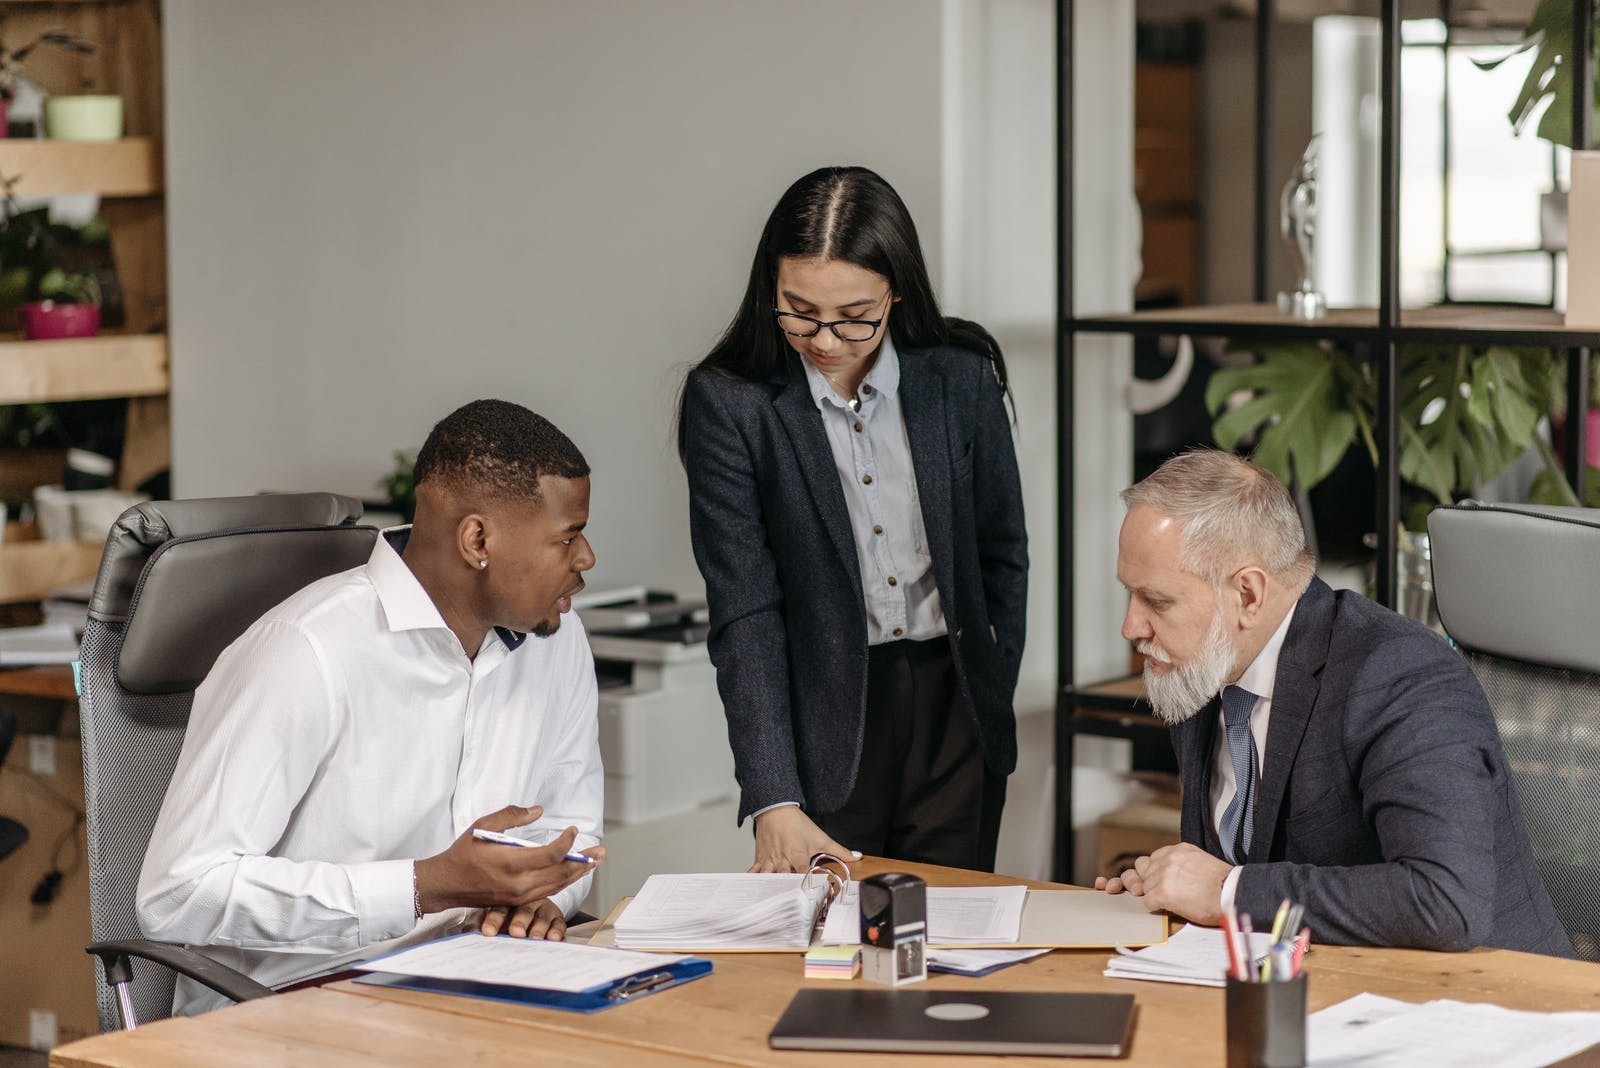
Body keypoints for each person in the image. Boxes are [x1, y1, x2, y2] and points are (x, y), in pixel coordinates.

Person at [139, 399, 608, 1014]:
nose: (586, 559)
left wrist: (537, 899)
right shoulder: (306, 650)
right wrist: (421, 887)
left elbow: (574, 834)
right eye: (567, 537)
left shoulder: (557, 641)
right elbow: (179, 892)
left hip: (474, 985)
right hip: (295, 1008)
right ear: (477, 540)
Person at [678, 166, 1028, 874]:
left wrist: (989, 678)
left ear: (896, 291)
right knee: (830, 950)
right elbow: (744, 611)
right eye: (799, 310)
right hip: (825, 723)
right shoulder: (730, 403)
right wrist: (773, 796)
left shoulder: (958, 374)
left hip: (955, 706)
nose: (826, 339)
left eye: (856, 315)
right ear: (768, 289)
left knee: (953, 936)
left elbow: (1003, 553)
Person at [1096, 449, 1573, 956]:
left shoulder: (1398, 673)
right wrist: (1168, 892)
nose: (1131, 627)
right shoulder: (1201, 672)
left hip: (1488, 1005)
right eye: (1130, 594)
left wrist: (1224, 892)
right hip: (1312, 986)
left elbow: (1444, 902)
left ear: (1249, 595)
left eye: (1157, 601)